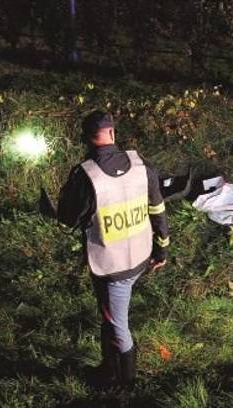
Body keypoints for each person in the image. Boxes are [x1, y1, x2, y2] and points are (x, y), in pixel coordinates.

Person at [57, 111, 170, 387]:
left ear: (86, 138)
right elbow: (157, 209)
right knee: (109, 316)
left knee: (117, 324)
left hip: (110, 265)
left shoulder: (86, 175)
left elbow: (67, 218)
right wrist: (162, 250)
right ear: (112, 133)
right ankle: (108, 369)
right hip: (139, 256)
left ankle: (127, 385)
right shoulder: (140, 165)